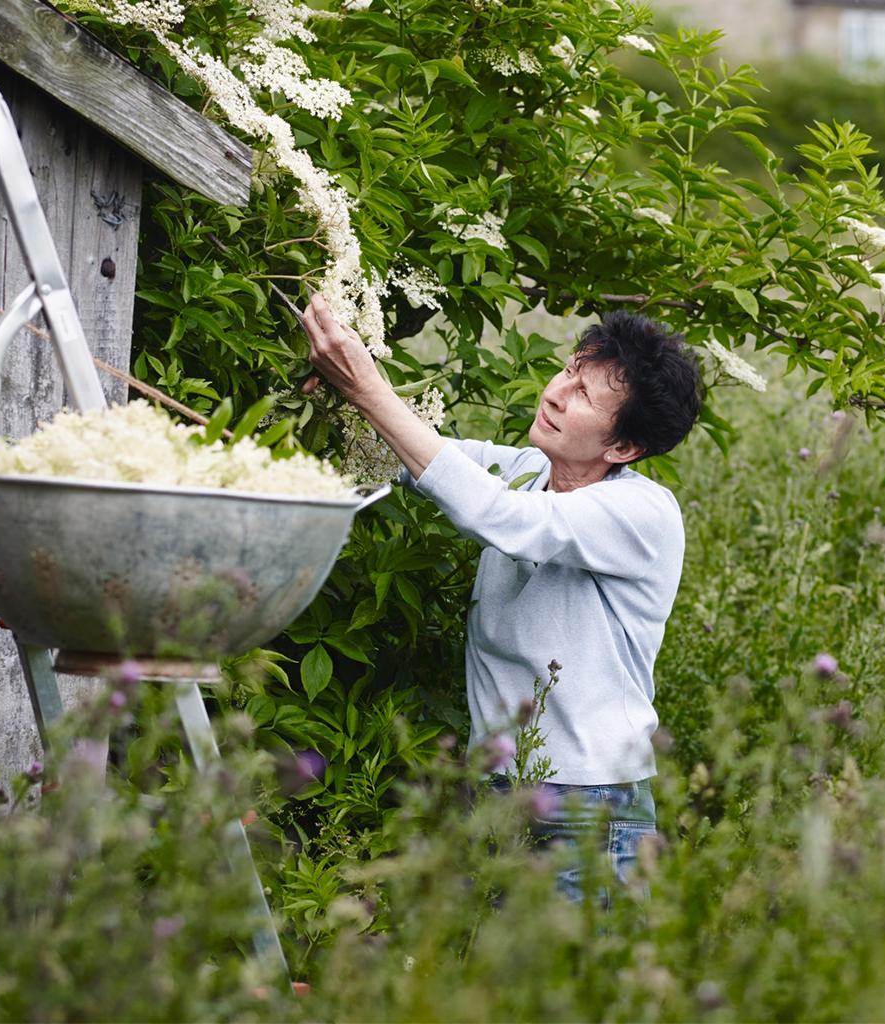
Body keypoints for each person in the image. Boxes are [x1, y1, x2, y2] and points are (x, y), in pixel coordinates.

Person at [297, 294, 702, 902]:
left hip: (587, 811)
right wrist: (339, 396)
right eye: (568, 370)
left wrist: (369, 388)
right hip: (502, 795)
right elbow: (422, 456)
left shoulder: (641, 513)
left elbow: (497, 516)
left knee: (570, 993)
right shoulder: (524, 470)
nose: (557, 393)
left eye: (586, 396)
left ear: (623, 448)